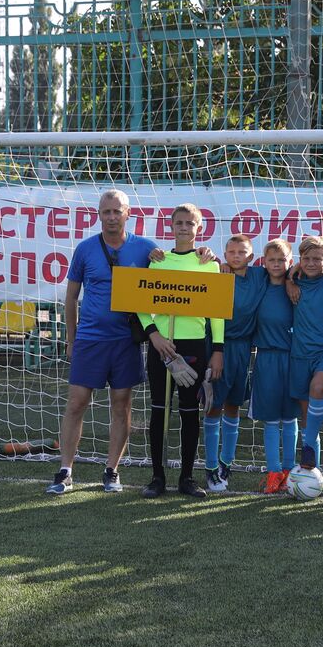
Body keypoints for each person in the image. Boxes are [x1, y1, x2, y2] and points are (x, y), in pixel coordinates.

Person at [47, 189, 157, 496]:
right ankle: (65, 470)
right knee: (76, 403)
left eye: (116, 211)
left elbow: (175, 277)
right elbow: (70, 297)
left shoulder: (147, 249)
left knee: (121, 406)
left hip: (126, 342)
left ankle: (112, 471)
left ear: (128, 213)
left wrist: (208, 258)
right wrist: (71, 338)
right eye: (106, 211)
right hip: (91, 340)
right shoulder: (84, 249)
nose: (111, 217)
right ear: (99, 214)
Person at [134, 203, 224, 499]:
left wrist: (218, 349)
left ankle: (186, 477)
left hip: (194, 345)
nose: (184, 228)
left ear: (199, 228)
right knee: (159, 410)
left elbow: (216, 314)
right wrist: (154, 335)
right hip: (162, 345)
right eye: (179, 223)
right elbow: (142, 304)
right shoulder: (158, 261)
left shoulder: (208, 264)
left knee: (189, 411)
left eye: (190, 223)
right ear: (170, 227)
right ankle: (157, 477)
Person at [204, 234, 265, 492]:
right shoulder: (219, 275)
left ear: (251, 257)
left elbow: (286, 267)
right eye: (231, 252)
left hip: (244, 350)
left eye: (242, 252)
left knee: (233, 406)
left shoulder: (259, 276)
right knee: (213, 406)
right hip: (219, 346)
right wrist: (215, 263)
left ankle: (225, 462)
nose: (236, 256)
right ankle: (209, 467)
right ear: (225, 255)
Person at [287, 236, 323, 473]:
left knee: (318, 388)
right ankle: (312, 470)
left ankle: (308, 448)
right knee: (306, 418)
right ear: (300, 260)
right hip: (300, 352)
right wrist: (291, 278)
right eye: (306, 259)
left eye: (317, 259)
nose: (311, 263)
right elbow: (284, 270)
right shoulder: (293, 281)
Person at [249, 240, 300, 493]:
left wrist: (292, 278)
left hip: (292, 358)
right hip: (266, 358)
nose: (277, 264)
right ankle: (273, 471)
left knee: (290, 417)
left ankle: (290, 470)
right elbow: (235, 267)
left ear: (290, 261)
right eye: (272, 260)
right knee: (270, 419)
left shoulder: (298, 283)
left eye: (282, 260)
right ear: (264, 262)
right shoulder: (259, 282)